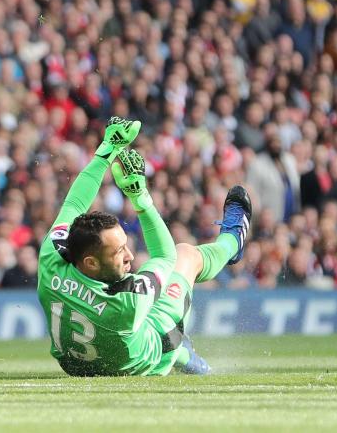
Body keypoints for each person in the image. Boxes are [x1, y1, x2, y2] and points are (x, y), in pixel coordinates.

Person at [37, 117, 252, 376]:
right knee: (186, 254)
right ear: (91, 262)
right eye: (118, 252)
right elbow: (165, 255)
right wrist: (141, 198)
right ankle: (232, 242)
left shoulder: (52, 257)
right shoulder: (128, 301)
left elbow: (73, 206)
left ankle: (185, 355)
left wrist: (108, 148)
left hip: (73, 364)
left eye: (125, 246)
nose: (129, 256)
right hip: (144, 360)